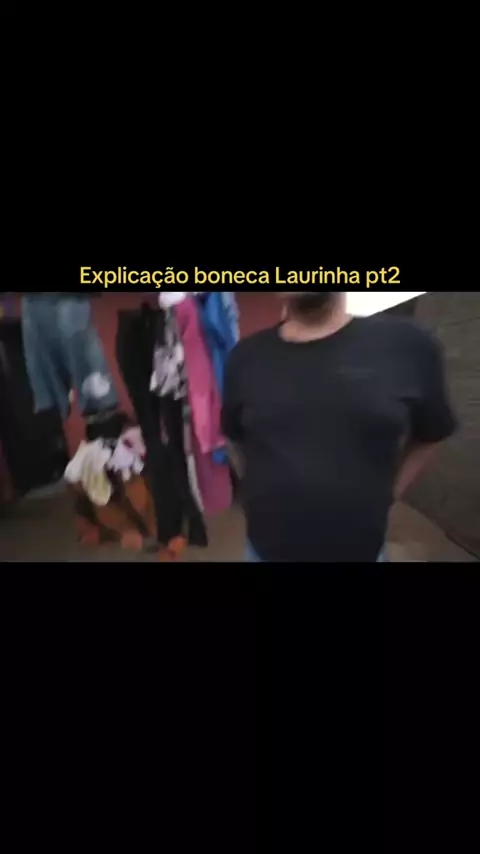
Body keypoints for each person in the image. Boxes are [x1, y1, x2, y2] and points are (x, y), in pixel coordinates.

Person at [222, 292, 457, 562]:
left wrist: (387, 496)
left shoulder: (409, 347)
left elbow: (431, 434)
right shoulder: (244, 358)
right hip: (264, 551)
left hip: (361, 551)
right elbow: (236, 440)